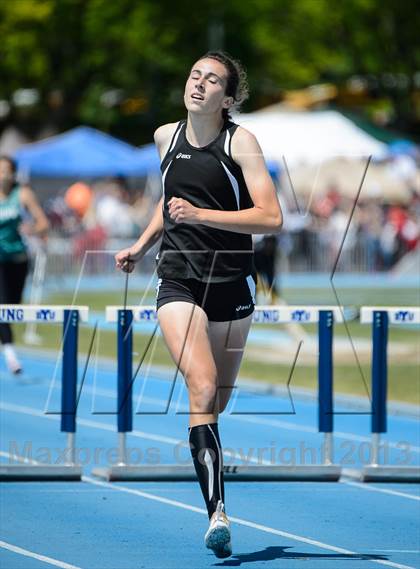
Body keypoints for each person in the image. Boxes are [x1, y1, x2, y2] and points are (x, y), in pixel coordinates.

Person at [115, 51, 283, 558]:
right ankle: (217, 514)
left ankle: (206, 451)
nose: (199, 84)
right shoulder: (165, 137)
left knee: (216, 402)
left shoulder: (241, 142)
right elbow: (169, 204)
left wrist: (201, 214)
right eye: (194, 74)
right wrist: (143, 244)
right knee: (202, 385)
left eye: (212, 80)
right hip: (178, 281)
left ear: (227, 98)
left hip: (232, 285)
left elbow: (270, 217)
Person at [0, 155, 49, 373]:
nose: (2, 175)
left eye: (6, 170)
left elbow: (43, 223)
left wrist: (32, 229)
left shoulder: (23, 194)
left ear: (13, 173)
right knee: (1, 306)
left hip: (19, 258)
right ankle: (11, 355)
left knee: (13, 307)